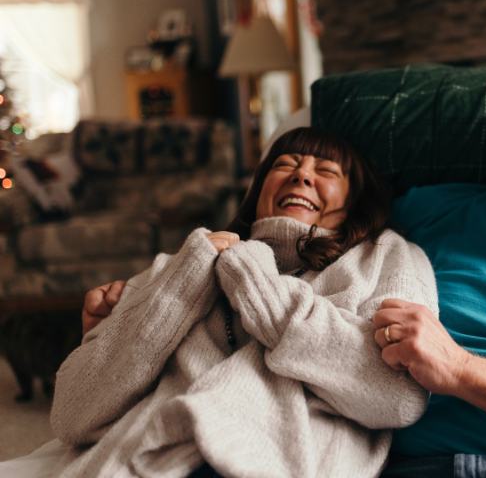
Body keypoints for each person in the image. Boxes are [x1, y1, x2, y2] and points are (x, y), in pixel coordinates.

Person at [81, 33, 486, 478]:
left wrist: (460, 370)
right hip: (402, 466)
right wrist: (140, 299)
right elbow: (296, 247)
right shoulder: (423, 213)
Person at [7, 127, 439, 477]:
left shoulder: (385, 257)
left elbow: (396, 394)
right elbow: (72, 414)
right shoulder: (188, 261)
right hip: (140, 462)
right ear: (259, 189)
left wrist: (256, 281)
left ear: (352, 201)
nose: (301, 176)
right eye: (285, 164)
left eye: (325, 170)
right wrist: (184, 282)